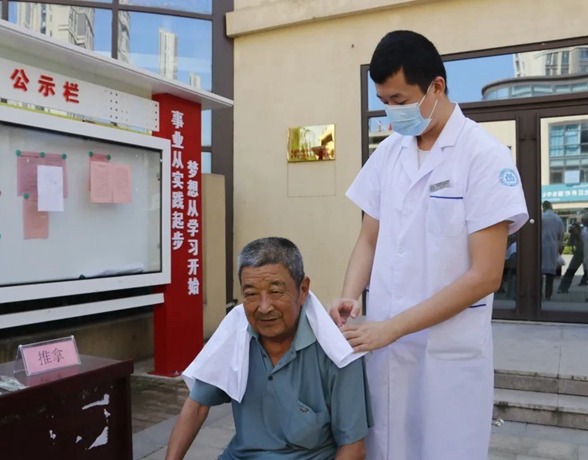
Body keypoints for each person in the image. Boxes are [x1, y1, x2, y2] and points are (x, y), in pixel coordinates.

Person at [328, 31, 529, 460]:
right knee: (386, 447)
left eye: (400, 101)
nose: (391, 112)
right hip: (385, 348)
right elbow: (368, 238)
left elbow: (485, 275)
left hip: (446, 354)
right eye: (384, 101)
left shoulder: (483, 156)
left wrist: (392, 327)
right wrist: (349, 294)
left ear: (436, 87)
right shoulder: (388, 155)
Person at [165, 237, 371, 460]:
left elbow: (353, 448)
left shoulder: (336, 351)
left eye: (275, 291)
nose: (263, 308)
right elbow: (196, 407)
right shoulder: (236, 333)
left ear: (303, 290)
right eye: (251, 294)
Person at [541, 201, 565, 300]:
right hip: (552, 247)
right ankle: (548, 295)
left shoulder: (541, 217)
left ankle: (539, 294)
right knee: (550, 274)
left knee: (539, 273)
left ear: (544, 207)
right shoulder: (558, 218)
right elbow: (561, 235)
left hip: (541, 246)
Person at [557, 223, 584, 294]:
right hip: (579, 253)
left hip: (581, 253)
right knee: (570, 271)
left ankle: (563, 287)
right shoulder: (576, 236)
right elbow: (570, 243)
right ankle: (563, 287)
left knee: (570, 271)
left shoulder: (582, 235)